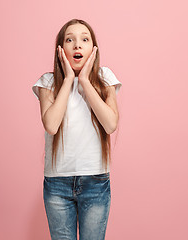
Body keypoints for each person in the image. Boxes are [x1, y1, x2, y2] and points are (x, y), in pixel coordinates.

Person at [32, 19, 122, 240]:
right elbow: (51, 125)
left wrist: (84, 80)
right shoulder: (48, 83)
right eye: (69, 40)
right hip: (57, 184)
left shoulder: (104, 79)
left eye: (84, 39)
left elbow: (110, 124)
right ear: (60, 49)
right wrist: (69, 79)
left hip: (96, 181)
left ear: (93, 48)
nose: (77, 45)